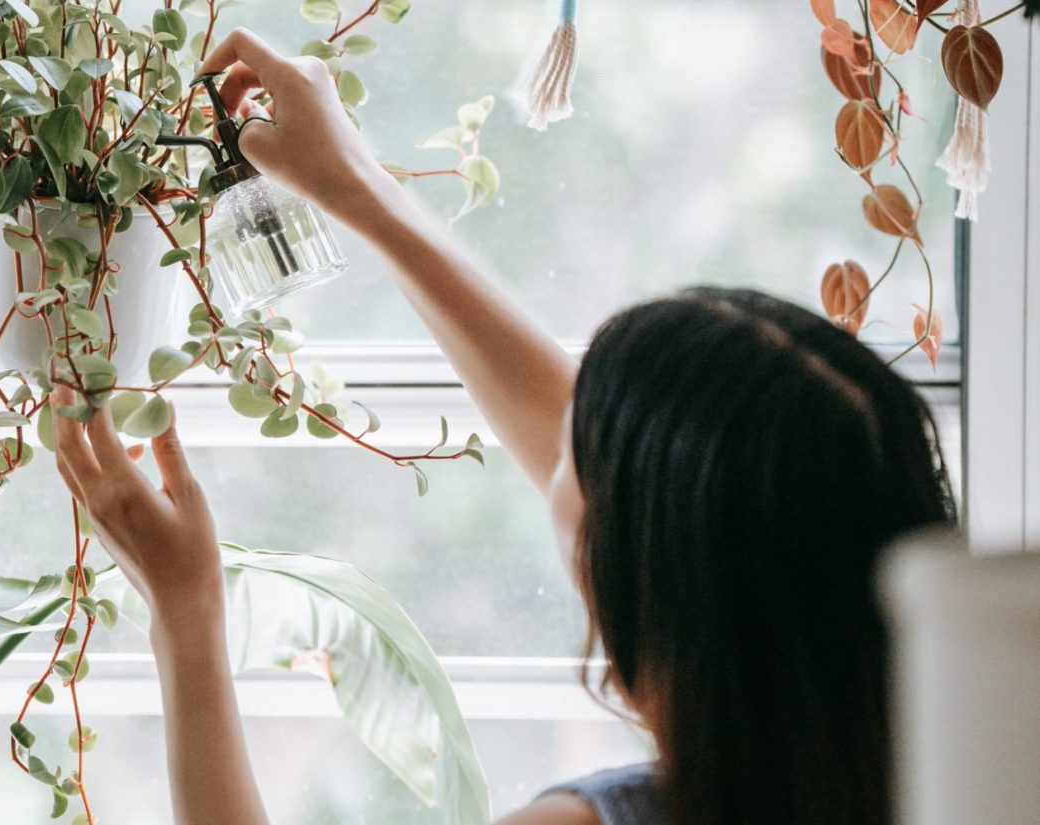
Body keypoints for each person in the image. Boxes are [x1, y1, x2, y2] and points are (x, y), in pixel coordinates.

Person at [52, 29, 956, 825]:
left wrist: (187, 615)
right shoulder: (950, 764)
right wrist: (356, 188)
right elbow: (667, 481)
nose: (561, 438)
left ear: (652, 571)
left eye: (584, 449)